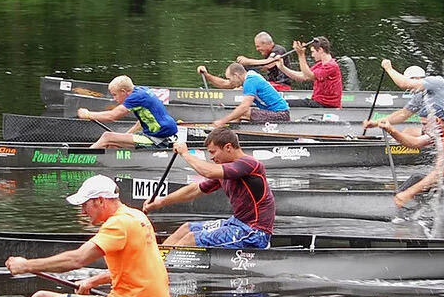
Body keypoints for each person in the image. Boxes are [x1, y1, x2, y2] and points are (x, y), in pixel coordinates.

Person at [5, 175, 170, 297]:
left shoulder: (118, 224)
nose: (83, 212)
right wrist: (93, 281)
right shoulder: (137, 216)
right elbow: (133, 269)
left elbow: (76, 260)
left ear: (100, 201)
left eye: (85, 205)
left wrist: (26, 266)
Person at [143, 127, 274, 249]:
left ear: (228, 147)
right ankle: (158, 262)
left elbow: (208, 172)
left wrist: (185, 154)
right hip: (237, 223)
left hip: (254, 232)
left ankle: (162, 269)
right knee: (187, 228)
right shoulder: (227, 169)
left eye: (213, 152)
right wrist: (161, 201)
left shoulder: (250, 164)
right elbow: (194, 190)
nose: (211, 157)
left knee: (191, 238)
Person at [363, 60, 444, 135]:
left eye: (415, 80)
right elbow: (403, 114)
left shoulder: (436, 82)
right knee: (408, 132)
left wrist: (388, 68)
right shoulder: (419, 95)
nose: (411, 88)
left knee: (410, 133)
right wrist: (375, 123)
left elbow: (404, 84)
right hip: (440, 130)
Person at [77, 75, 178, 149]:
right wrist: (125, 136)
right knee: (113, 143)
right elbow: (140, 123)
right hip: (160, 135)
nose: (114, 98)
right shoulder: (141, 91)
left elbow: (112, 116)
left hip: (158, 139)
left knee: (107, 136)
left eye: (115, 94)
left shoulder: (135, 98)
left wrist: (88, 114)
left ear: (124, 91)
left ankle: (82, 158)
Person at [196, 62, 290, 126]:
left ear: (236, 75)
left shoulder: (251, 81)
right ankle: (228, 132)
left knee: (242, 112)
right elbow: (224, 84)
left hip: (280, 115)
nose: (230, 81)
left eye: (230, 78)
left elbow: (244, 107)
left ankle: (226, 133)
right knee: (239, 112)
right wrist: (206, 75)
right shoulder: (249, 76)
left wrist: (222, 121)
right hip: (275, 112)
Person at [274, 36, 342, 108]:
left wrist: (301, 55)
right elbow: (302, 76)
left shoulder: (331, 65)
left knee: (283, 103)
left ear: (320, 50)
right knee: (283, 102)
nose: (312, 55)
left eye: (313, 52)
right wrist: (282, 67)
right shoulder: (320, 64)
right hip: (318, 102)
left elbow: (309, 76)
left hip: (326, 105)